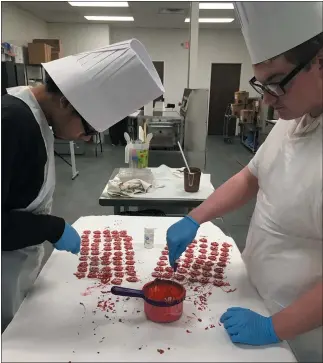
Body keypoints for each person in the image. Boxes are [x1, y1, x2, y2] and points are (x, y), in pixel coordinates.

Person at [166, 2, 322, 361]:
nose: (267, 99)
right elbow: (252, 176)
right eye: (261, 85)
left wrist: (274, 328)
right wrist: (195, 217)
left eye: (277, 83)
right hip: (255, 292)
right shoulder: (293, 116)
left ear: (320, 61)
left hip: (301, 328)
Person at [1, 39, 164, 332]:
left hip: (17, 266)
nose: (87, 138)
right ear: (65, 101)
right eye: (88, 129)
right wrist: (51, 228)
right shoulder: (10, 122)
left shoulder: (35, 118)